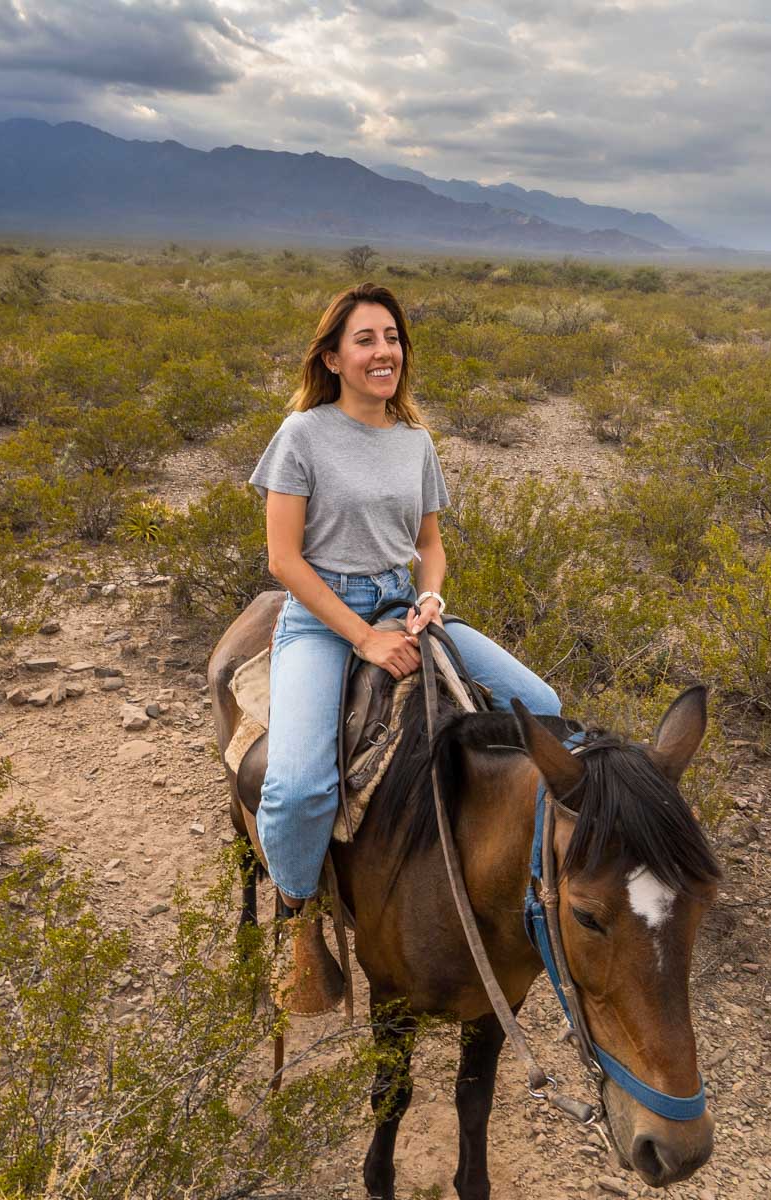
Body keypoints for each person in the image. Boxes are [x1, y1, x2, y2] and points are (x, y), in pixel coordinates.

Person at [250, 281, 561, 913]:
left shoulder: (414, 440)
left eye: (392, 338)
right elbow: (283, 558)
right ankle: (297, 905)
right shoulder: (302, 435)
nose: (383, 351)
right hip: (320, 618)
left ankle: (533, 880)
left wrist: (431, 598)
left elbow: (430, 544)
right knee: (300, 788)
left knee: (543, 704)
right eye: (364, 339)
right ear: (332, 359)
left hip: (401, 604)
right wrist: (363, 638)